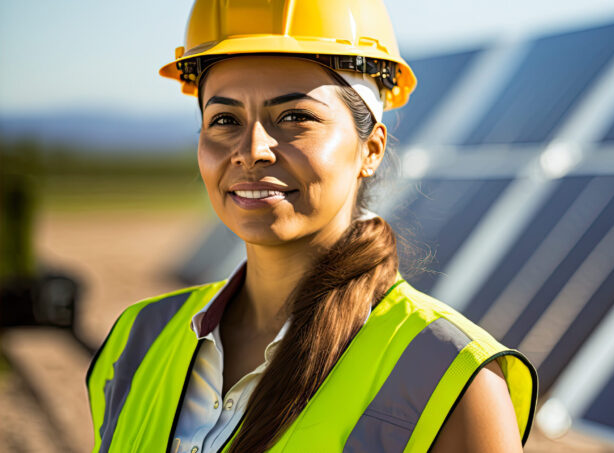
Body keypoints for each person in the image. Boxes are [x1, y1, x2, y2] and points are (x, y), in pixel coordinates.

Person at [85, 1, 538, 452]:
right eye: (224, 119)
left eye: (295, 117)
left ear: (371, 149)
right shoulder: (138, 337)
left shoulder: (452, 377)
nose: (252, 150)